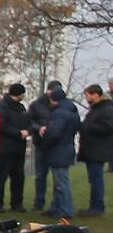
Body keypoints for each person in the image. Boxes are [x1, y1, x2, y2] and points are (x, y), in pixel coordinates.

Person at [39, 86, 84, 219]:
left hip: (58, 150)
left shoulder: (59, 113)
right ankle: (56, 207)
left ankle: (64, 209)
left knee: (61, 182)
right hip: (67, 147)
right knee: (60, 181)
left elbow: (54, 133)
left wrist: (45, 141)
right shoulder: (72, 111)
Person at [0, 84, 33, 213]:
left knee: (18, 177)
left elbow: (28, 122)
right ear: (19, 94)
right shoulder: (1, 106)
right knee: (1, 177)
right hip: (5, 148)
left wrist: (28, 130)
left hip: (19, 148)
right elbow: (2, 125)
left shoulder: (21, 108)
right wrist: (18, 133)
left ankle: (17, 203)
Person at [29, 82, 64, 213]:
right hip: (41, 144)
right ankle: (38, 202)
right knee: (40, 175)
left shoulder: (61, 105)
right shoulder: (36, 105)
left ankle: (57, 204)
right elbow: (29, 121)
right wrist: (38, 128)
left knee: (58, 178)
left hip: (56, 145)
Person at [80, 84, 111, 219]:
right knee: (93, 179)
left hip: (98, 149)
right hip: (92, 149)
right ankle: (95, 205)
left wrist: (88, 127)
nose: (86, 98)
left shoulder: (107, 109)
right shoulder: (96, 109)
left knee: (96, 179)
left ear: (95, 95)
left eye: (87, 95)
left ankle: (97, 207)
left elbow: (107, 128)